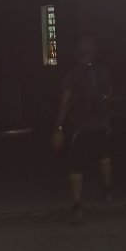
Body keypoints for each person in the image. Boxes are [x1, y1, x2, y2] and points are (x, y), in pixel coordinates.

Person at [52, 36, 112, 223]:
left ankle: (77, 207)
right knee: (104, 157)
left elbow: (64, 102)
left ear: (77, 54)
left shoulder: (73, 75)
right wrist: (107, 122)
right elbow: (108, 97)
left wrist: (58, 127)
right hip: (100, 123)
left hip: (80, 126)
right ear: (94, 53)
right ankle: (107, 192)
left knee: (76, 166)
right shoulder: (102, 73)